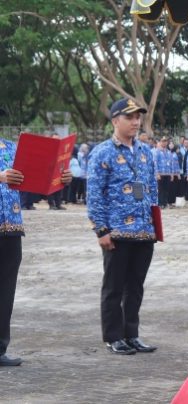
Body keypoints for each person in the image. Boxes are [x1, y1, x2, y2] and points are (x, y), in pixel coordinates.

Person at [87, 98, 159, 355]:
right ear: (115, 121)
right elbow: (95, 193)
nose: (136, 122)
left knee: (136, 287)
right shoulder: (102, 152)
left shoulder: (145, 152)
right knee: (114, 287)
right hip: (117, 231)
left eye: (138, 117)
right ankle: (113, 336)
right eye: (130, 118)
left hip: (143, 231)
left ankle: (132, 334)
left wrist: (155, 224)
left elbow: (151, 190)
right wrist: (101, 230)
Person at [1, 123, 72, 366]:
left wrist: (59, 178)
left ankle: (0, 348)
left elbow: (36, 178)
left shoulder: (12, 148)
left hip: (11, 227)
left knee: (5, 291)